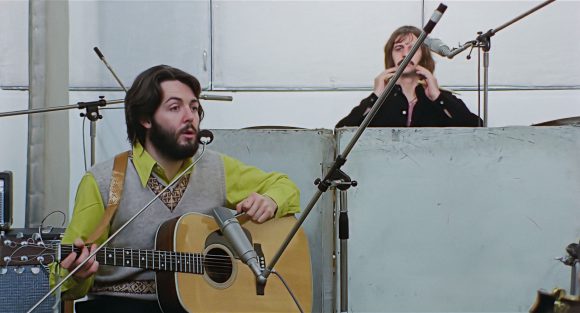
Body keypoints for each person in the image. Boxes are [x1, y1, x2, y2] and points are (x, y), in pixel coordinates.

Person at [50, 65, 301, 312]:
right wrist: (77, 274)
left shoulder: (216, 167)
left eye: (194, 107)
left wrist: (271, 200)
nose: (190, 116)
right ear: (145, 119)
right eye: (175, 107)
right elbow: (63, 279)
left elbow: (284, 185)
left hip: (203, 306)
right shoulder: (104, 181)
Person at [336, 25, 482, 128]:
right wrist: (375, 96)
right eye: (399, 48)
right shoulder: (379, 101)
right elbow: (341, 132)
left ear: (423, 54)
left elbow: (477, 128)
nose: (405, 54)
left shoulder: (439, 97)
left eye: (412, 48)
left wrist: (438, 97)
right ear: (391, 56)